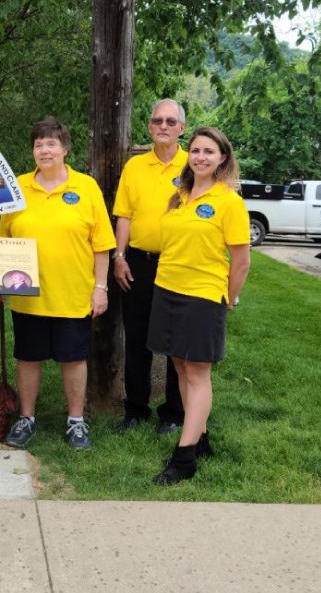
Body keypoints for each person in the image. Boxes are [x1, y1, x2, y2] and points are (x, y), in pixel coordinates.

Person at [0, 117, 115, 450]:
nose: (44, 150)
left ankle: (76, 421)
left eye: (51, 144)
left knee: (73, 358)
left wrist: (100, 287)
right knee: (28, 357)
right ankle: (26, 418)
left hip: (73, 292)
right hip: (25, 293)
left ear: (65, 148)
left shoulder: (86, 187)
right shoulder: (16, 186)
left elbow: (101, 243)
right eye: (38, 144)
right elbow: (3, 238)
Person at [147, 126, 251, 485]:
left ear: (222, 158)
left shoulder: (229, 202)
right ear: (187, 155)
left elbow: (241, 261)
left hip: (204, 294)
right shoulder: (179, 196)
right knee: (178, 365)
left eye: (209, 151)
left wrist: (229, 296)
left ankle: (185, 457)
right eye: (195, 150)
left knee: (197, 372)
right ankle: (201, 437)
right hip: (167, 289)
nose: (201, 157)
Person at [112, 99, 188, 434]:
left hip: (178, 263)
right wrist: (118, 257)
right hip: (138, 264)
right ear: (149, 126)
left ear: (181, 128)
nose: (164, 126)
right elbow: (124, 216)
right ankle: (136, 409)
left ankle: (173, 412)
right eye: (158, 120)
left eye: (171, 121)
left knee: (175, 339)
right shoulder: (134, 167)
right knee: (137, 338)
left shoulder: (195, 165)